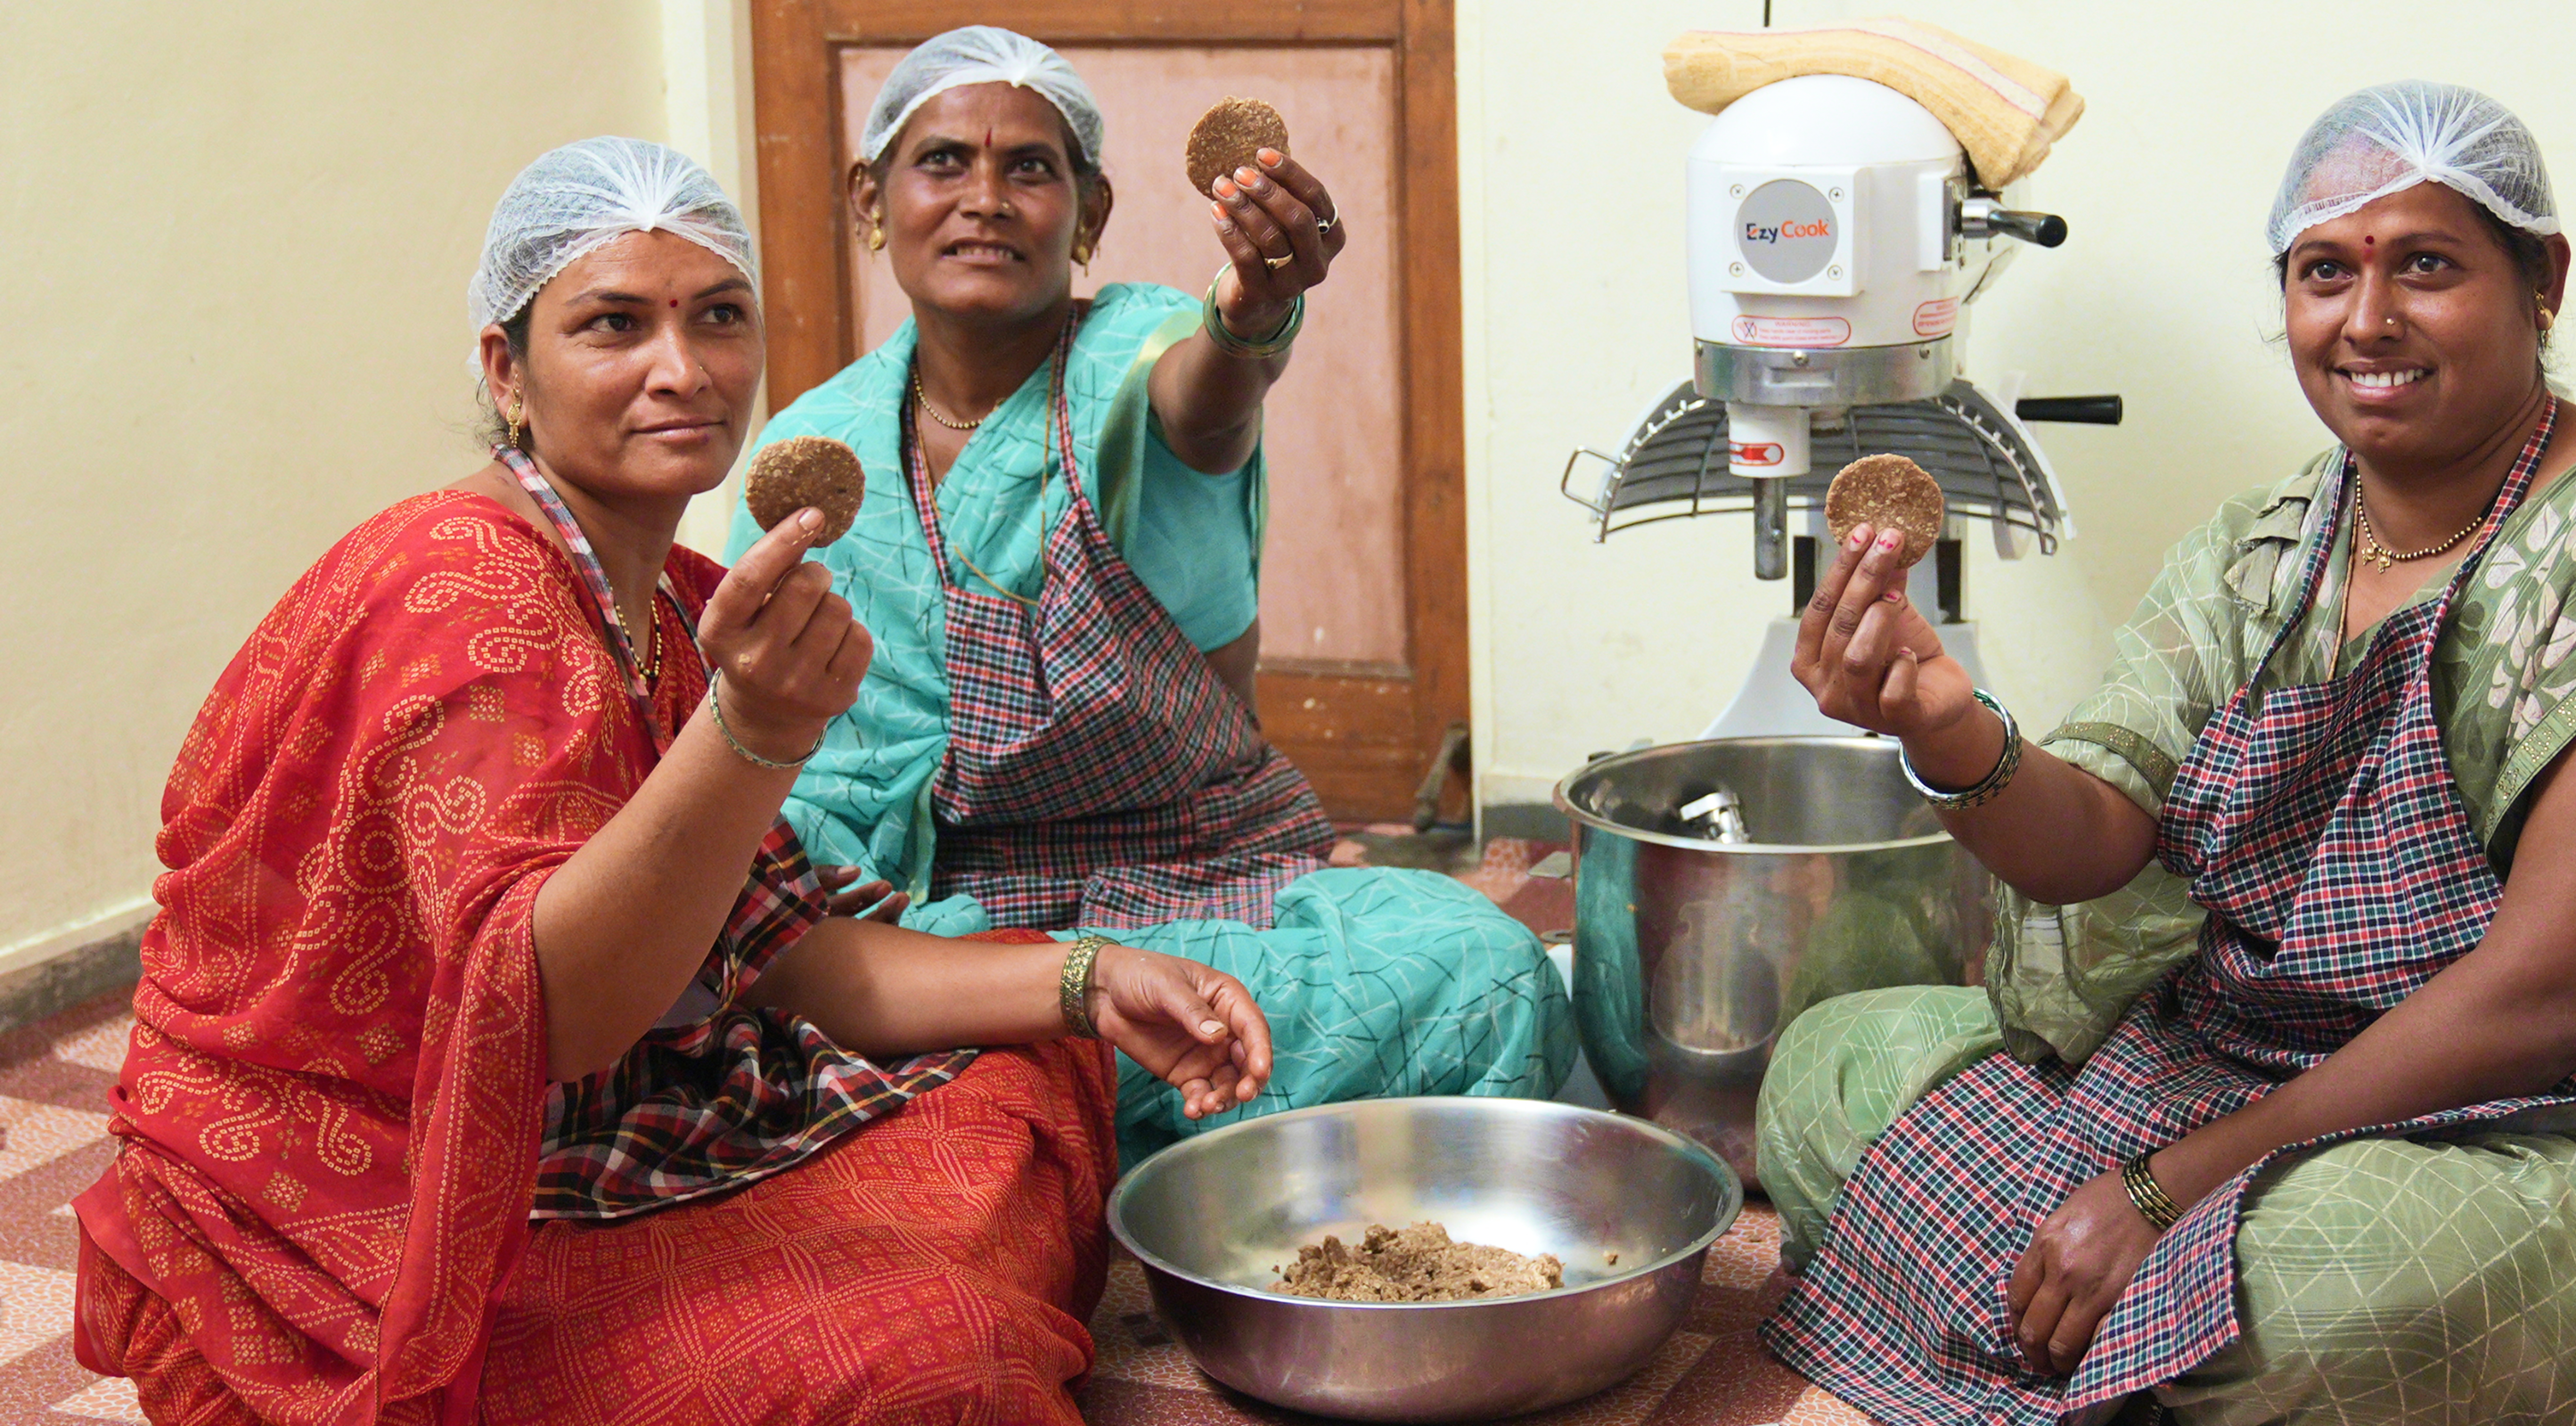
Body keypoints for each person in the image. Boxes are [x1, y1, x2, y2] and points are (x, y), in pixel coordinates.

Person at [71, 138, 1275, 1425]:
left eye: (718, 317)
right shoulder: (467, 597)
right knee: (937, 1366)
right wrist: (753, 733)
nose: (683, 370)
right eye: (614, 324)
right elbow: (555, 1021)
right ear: (506, 370)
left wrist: (1096, 979)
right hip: (366, 1196)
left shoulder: (671, 600)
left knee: (1023, 1066)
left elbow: (783, 949)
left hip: (606, 1098)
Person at [1754, 82, 2576, 1425]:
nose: (2368, 320)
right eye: (2324, 272)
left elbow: (2554, 996)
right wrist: (1942, 727)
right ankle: (2156, 1355)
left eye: (2427, 265)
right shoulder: (2268, 545)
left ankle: (2142, 1334)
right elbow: (2094, 835)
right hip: (2276, 1083)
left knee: (2338, 1281)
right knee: (1834, 1068)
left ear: (2541, 282)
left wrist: (2165, 1188)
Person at [729, 27, 1571, 1161]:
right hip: (950, 923)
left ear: (1090, 212)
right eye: (943, 162)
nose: (985, 198)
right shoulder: (812, 448)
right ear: (869, 199)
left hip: (1195, 883)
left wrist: (1251, 315)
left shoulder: (1133, 354)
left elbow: (1204, 397)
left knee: (1483, 973)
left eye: (1031, 167)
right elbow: (786, 774)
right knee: (796, 1001)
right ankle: (1108, 1118)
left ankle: (1047, 1127)